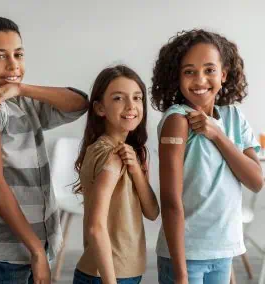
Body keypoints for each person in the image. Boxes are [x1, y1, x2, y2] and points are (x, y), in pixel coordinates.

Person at [0, 16, 88, 283]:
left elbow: (79, 103)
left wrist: (19, 87)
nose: (12, 64)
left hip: (32, 245)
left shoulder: (21, 101)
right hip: (7, 254)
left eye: (18, 54)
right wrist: (35, 251)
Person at [151, 29, 264, 284]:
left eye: (209, 70)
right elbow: (170, 201)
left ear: (223, 74)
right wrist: (180, 274)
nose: (200, 79)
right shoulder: (178, 121)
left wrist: (218, 135)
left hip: (222, 252)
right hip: (185, 256)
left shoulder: (234, 118)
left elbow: (256, 181)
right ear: (177, 78)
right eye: (189, 71)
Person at [73, 65, 159, 284]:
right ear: (100, 108)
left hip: (126, 271)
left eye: (137, 98)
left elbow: (152, 211)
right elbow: (95, 227)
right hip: (108, 275)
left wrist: (137, 171)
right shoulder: (110, 155)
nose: (131, 106)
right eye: (119, 98)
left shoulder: (131, 153)